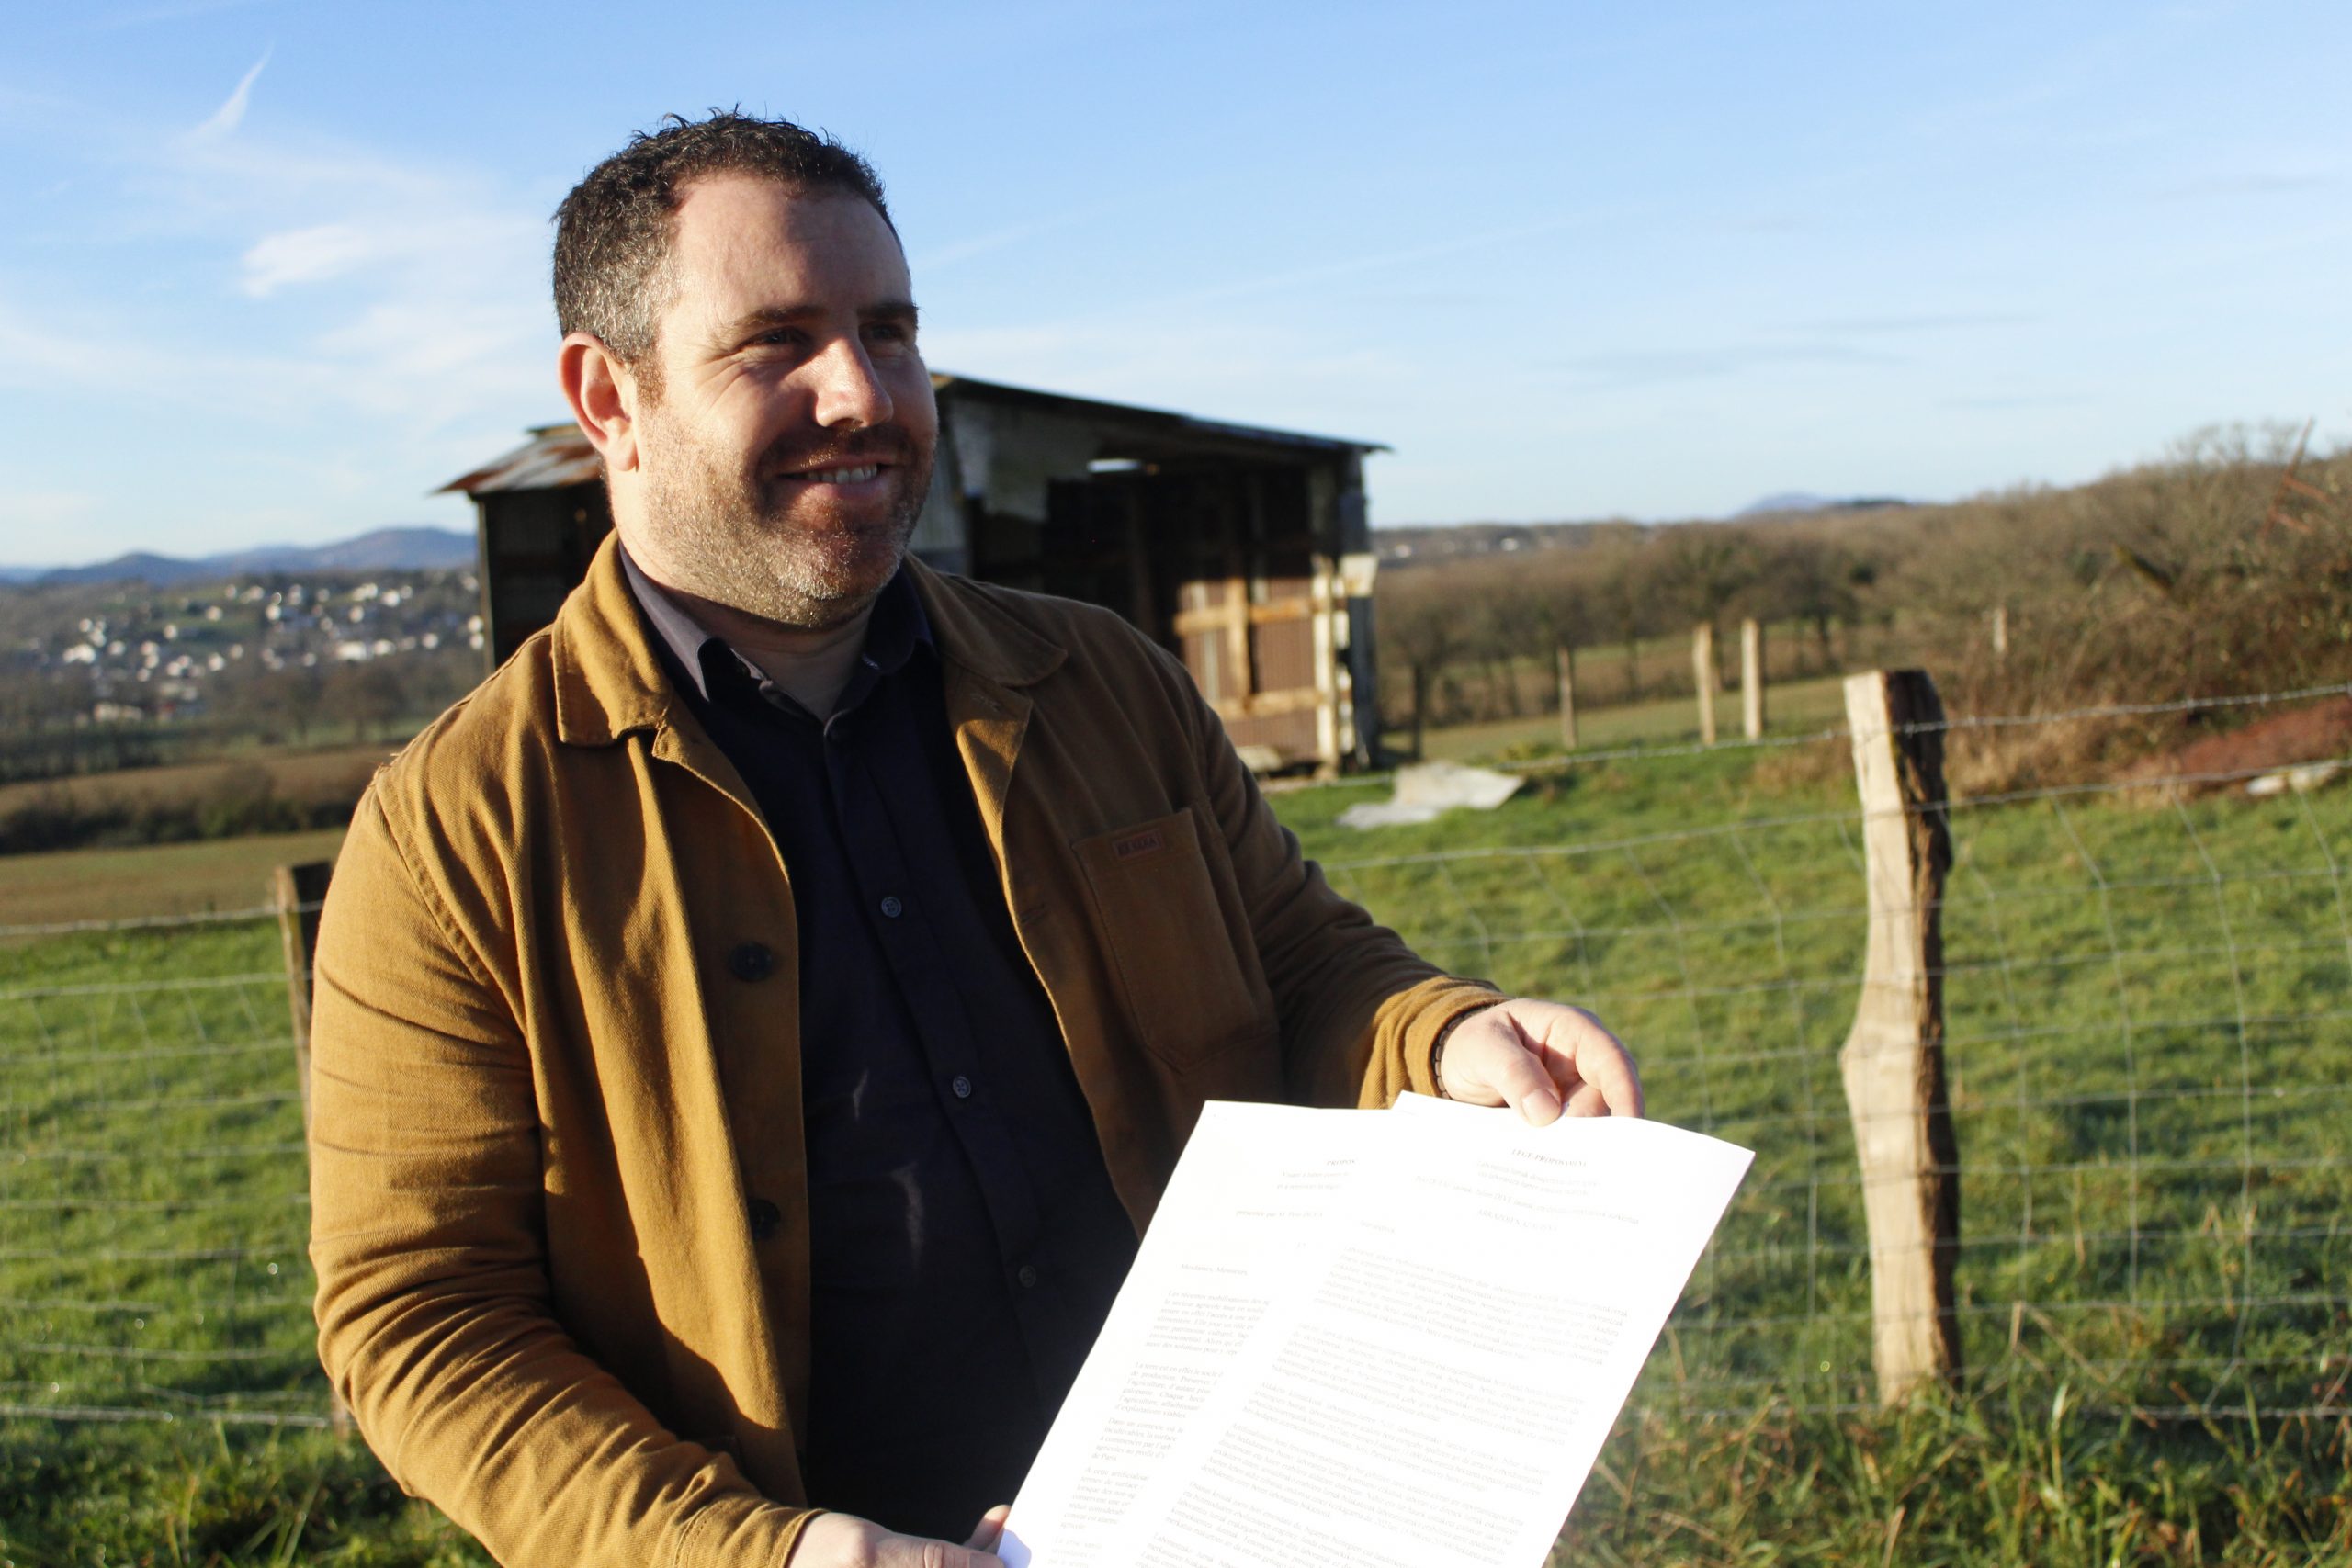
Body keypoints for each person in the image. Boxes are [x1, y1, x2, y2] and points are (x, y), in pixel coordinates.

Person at [306, 111, 1643, 1568]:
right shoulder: (458, 834)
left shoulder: (1100, 682)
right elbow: (420, 1318)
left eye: (889, 331)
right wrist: (755, 1554)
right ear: (606, 398)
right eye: (777, 342)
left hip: (1231, 1514)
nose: (862, 393)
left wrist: (1445, 1037)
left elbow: (1299, 964)